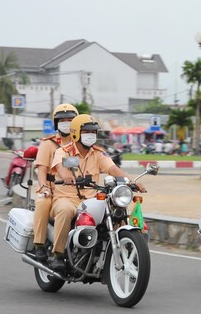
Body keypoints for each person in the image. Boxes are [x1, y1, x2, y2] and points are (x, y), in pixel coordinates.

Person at [49, 114, 146, 271]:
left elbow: (112, 168)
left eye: (94, 132)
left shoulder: (98, 153)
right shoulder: (65, 151)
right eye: (87, 131)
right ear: (76, 133)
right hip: (67, 198)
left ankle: (127, 251)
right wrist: (66, 175)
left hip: (90, 199)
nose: (91, 135)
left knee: (116, 213)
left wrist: (132, 181)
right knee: (65, 211)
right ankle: (58, 254)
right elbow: (60, 165)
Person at [32, 103, 79, 261]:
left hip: (73, 191)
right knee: (44, 202)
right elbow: (42, 170)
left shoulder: (80, 145)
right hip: (51, 187)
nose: (66, 123)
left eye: (70, 120)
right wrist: (44, 186)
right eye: (62, 120)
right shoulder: (48, 144)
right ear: (56, 123)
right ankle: (39, 244)